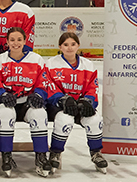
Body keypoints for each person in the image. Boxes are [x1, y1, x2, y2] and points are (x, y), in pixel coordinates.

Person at [0, 27, 52, 177]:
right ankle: (6, 155)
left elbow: (43, 82)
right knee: (5, 114)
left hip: (27, 102)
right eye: (12, 40)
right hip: (8, 102)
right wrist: (1, 94)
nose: (15, 43)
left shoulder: (36, 59)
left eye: (19, 40)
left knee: (40, 114)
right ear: (7, 42)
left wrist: (39, 94)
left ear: (24, 41)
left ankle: (41, 156)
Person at [45, 32, 108, 173]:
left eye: (73, 44)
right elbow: (49, 86)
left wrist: (88, 102)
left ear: (78, 45)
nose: (69, 48)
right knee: (64, 119)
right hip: (60, 106)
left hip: (80, 104)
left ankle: (96, 153)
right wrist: (62, 99)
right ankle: (55, 152)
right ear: (60, 46)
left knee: (95, 119)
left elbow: (92, 88)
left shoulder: (88, 65)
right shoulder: (51, 63)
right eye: (66, 45)